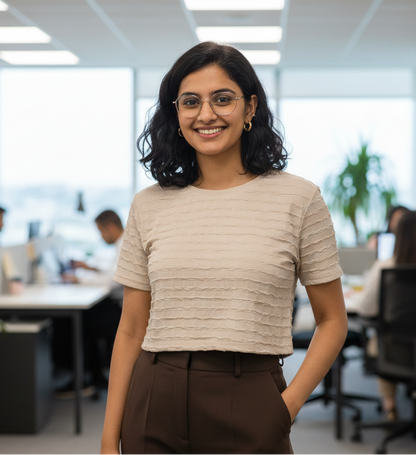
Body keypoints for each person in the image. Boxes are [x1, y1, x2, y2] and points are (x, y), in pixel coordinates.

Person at [100, 42, 348, 455]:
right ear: (176, 114)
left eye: (222, 99)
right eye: (191, 102)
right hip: (155, 395)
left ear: (250, 108)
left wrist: (285, 408)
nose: (206, 114)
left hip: (249, 396)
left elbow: (332, 320)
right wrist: (110, 440)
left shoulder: (299, 199)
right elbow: (130, 329)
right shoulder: (149, 204)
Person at [355, 210, 416, 421]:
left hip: (394, 351)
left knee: (384, 337)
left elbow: (365, 309)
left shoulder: (385, 267)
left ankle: (390, 407)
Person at [55, 210, 125, 394]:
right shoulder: (122, 244)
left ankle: (84, 378)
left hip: (120, 310)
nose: (100, 236)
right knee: (85, 318)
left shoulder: (125, 244)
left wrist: (80, 279)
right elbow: (113, 272)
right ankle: (94, 376)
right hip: (118, 304)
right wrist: (90, 268)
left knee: (78, 322)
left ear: (110, 227)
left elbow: (114, 280)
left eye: (101, 231)